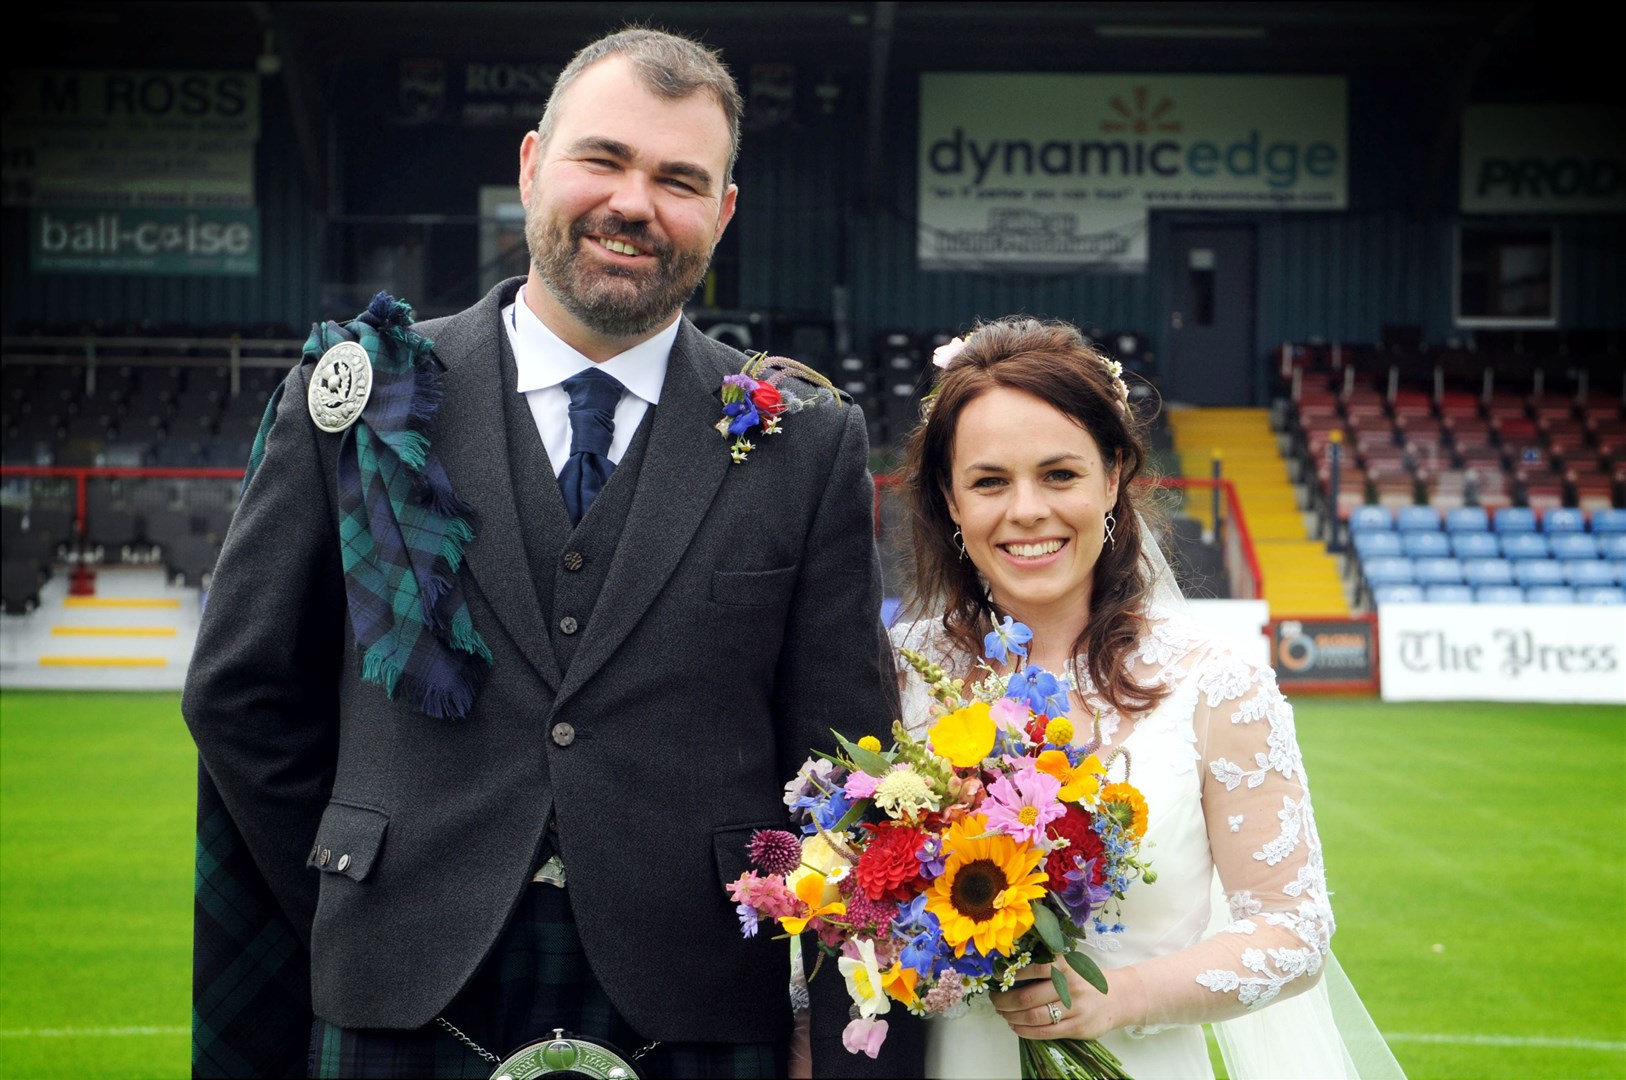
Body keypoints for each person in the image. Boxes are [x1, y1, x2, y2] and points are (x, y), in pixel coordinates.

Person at [184, 26, 920, 1079]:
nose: (635, 202)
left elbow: (846, 768)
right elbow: (241, 690)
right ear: (532, 164)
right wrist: (365, 889)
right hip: (397, 993)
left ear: (723, 211)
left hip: (704, 1002)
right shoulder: (358, 393)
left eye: (679, 178)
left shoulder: (808, 440)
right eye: (604, 159)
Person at [889, 317, 1405, 1078]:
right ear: (950, 498)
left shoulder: (1214, 682)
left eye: (1059, 475)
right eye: (990, 481)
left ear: (1116, 478)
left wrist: (1115, 997)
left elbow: (1294, 933)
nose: (1026, 510)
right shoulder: (893, 673)